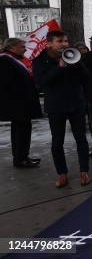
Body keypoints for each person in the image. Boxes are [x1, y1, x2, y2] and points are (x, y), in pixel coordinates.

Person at [32, 30, 91, 188]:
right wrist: (59, 67)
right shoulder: (39, 61)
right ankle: (62, 173)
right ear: (49, 43)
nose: (64, 44)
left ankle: (84, 171)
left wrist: (77, 64)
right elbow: (41, 82)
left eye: (66, 41)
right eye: (60, 41)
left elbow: (86, 78)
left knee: (81, 139)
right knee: (57, 142)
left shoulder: (73, 56)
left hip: (76, 104)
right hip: (56, 107)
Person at [0, 38, 42, 168]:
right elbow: (6, 83)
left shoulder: (12, 59)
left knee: (21, 131)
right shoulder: (5, 60)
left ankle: (22, 156)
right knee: (21, 132)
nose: (25, 49)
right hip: (17, 105)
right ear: (12, 48)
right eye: (22, 46)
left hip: (20, 104)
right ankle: (20, 159)